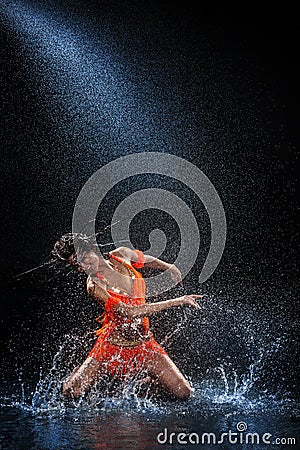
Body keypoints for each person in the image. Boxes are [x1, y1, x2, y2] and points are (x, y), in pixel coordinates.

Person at [52, 233, 202, 400]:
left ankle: (140, 387)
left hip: (144, 344)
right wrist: (178, 301)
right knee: (72, 393)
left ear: (92, 249)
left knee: (184, 392)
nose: (84, 266)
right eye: (77, 265)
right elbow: (129, 312)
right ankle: (71, 381)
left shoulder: (121, 255)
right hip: (112, 347)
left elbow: (146, 259)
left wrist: (168, 266)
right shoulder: (94, 286)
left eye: (83, 259)